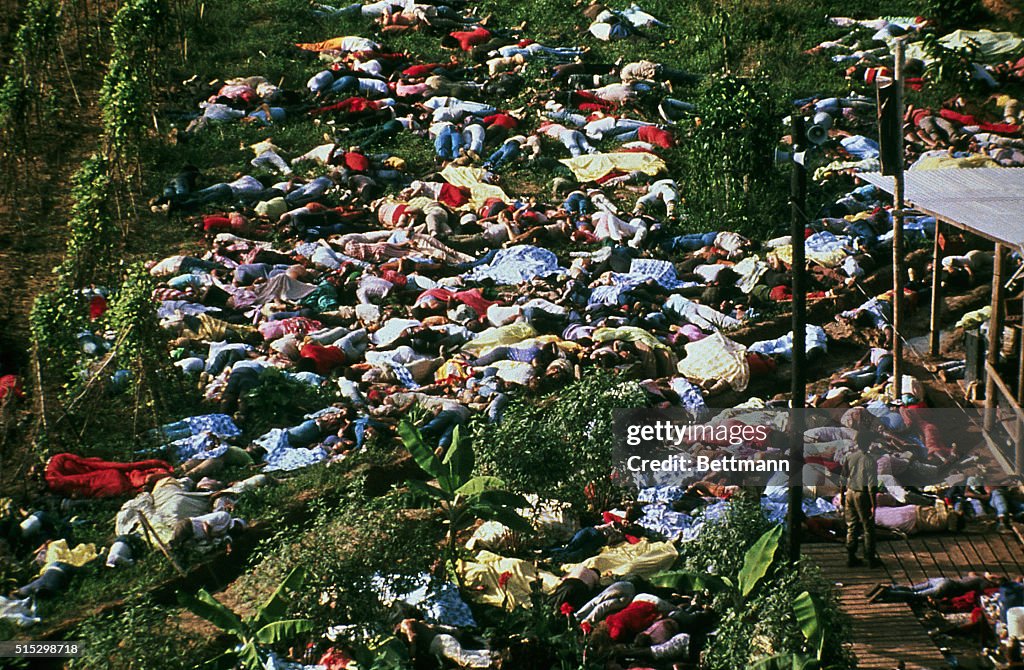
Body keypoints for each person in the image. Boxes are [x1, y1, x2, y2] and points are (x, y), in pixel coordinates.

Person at [843, 430, 880, 567]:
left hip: (850, 492)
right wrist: (873, 505)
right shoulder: (870, 461)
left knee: (851, 525)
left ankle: (850, 556)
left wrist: (842, 495)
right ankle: (869, 558)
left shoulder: (850, 457)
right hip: (862, 495)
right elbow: (871, 486)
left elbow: (843, 477)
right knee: (867, 527)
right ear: (869, 443)